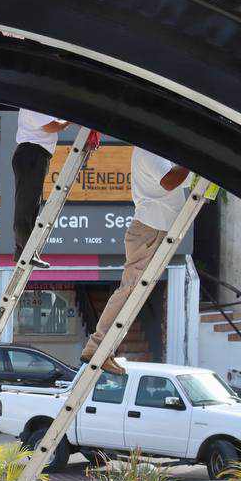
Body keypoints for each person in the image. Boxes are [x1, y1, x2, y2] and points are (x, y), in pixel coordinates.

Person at [82, 147, 190, 376]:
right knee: (130, 290)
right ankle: (97, 347)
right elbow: (169, 182)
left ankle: (102, 348)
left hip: (156, 229)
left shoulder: (159, 153)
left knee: (134, 292)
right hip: (150, 229)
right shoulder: (150, 152)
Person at [12, 109, 69, 266]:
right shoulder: (32, 105)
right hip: (32, 153)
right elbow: (50, 126)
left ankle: (24, 250)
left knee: (31, 204)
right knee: (26, 205)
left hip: (36, 154)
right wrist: (68, 121)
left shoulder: (35, 105)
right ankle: (25, 250)